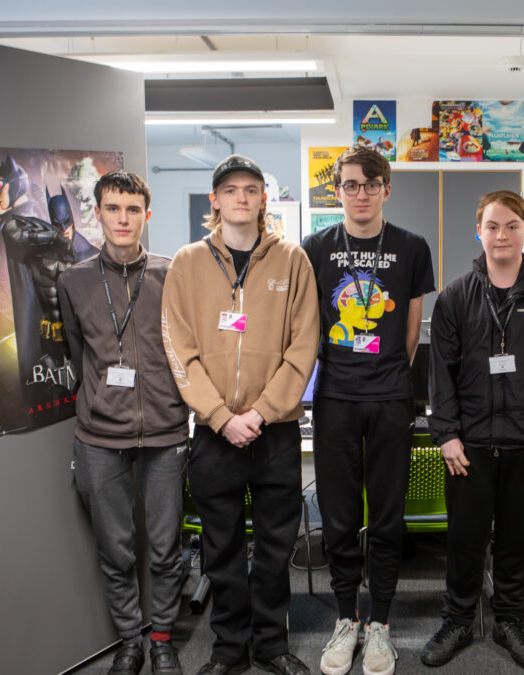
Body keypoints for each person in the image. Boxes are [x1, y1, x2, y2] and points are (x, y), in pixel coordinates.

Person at [162, 154, 319, 675]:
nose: (242, 198)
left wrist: (262, 411)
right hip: (213, 434)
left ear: (263, 199)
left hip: (274, 433)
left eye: (252, 189)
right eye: (231, 190)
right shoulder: (186, 263)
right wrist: (219, 415)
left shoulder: (293, 260)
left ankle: (270, 646)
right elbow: (178, 349)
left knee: (275, 550)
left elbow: (303, 347)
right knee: (221, 548)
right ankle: (229, 649)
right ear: (215, 200)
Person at [420, 190, 524, 670]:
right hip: (468, 446)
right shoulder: (455, 296)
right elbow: (439, 376)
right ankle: (457, 619)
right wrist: (446, 433)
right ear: (480, 233)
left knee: (516, 539)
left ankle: (510, 619)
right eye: (493, 226)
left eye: (512, 225)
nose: (502, 235)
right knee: (464, 539)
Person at [301, 147, 435, 675]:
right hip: (334, 398)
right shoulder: (315, 248)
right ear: (338, 191)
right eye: (351, 185)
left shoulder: (411, 247)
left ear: (386, 188)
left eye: (370, 184)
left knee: (385, 518)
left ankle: (379, 625)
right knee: (337, 518)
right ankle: (345, 620)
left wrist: (384, 382)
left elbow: (409, 335)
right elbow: (308, 329)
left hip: (388, 399)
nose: (360, 194)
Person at [56, 171, 190, 675]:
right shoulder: (73, 280)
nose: (123, 219)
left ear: (146, 216)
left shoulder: (172, 273)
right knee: (115, 551)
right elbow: (77, 351)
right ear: (99, 213)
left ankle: (162, 639)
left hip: (165, 431)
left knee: (164, 548)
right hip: (98, 436)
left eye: (133, 210)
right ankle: (130, 639)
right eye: (113, 208)